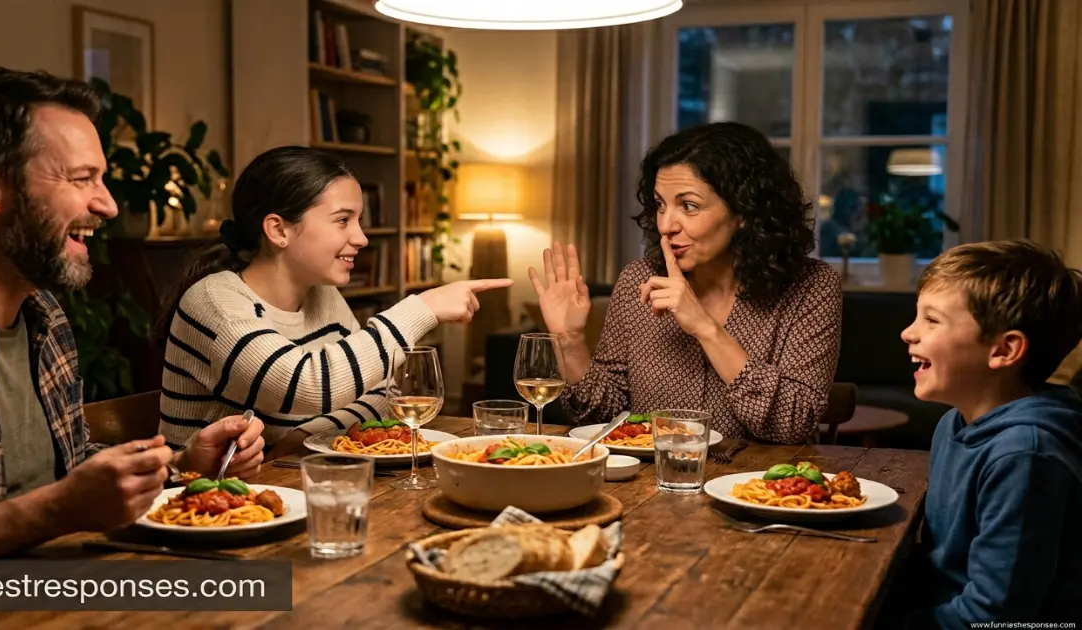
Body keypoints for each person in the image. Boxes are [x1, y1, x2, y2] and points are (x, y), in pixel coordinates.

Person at [0, 67, 265, 560]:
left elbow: (67, 470)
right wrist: (55, 511)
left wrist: (181, 467)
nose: (106, 205)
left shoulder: (44, 313)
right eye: (82, 178)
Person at [155, 146, 512, 456]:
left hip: (284, 485)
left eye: (358, 220)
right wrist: (422, 309)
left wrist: (308, 434)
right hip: (197, 509)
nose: (361, 238)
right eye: (343, 220)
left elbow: (380, 389)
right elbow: (302, 386)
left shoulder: (322, 295)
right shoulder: (215, 302)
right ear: (278, 230)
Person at [531, 121, 841, 444]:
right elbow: (604, 418)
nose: (665, 224)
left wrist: (705, 328)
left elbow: (794, 425)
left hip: (759, 490)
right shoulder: (639, 281)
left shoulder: (812, 288)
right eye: (660, 205)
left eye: (689, 206)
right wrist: (570, 341)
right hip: (650, 488)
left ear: (744, 211)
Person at [897, 240, 1082, 626]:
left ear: (1004, 350)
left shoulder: (1024, 456)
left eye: (932, 320)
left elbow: (995, 615)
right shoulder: (955, 423)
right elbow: (943, 563)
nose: (907, 333)